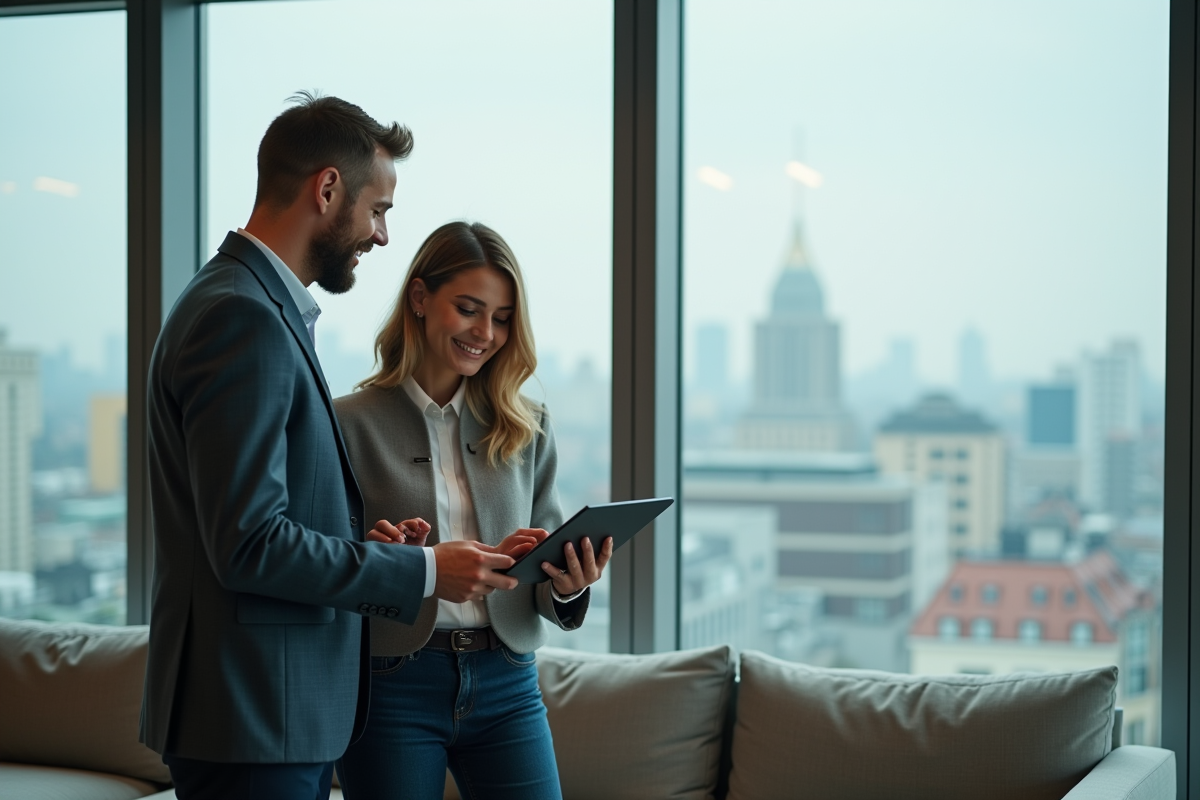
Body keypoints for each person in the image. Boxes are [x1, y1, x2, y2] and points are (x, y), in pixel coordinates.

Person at [139, 95, 525, 800]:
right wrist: (423, 571)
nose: (380, 236)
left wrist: (370, 544)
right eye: (378, 210)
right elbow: (249, 544)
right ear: (327, 190)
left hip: (270, 713)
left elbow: (252, 521)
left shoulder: (253, 304)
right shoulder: (243, 315)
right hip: (255, 712)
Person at [333, 221, 612, 800]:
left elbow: (541, 578)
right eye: (469, 309)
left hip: (507, 682)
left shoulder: (527, 426)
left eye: (503, 317)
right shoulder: (344, 424)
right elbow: (327, 566)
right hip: (391, 683)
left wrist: (567, 584)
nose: (486, 333)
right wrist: (390, 561)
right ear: (419, 298)